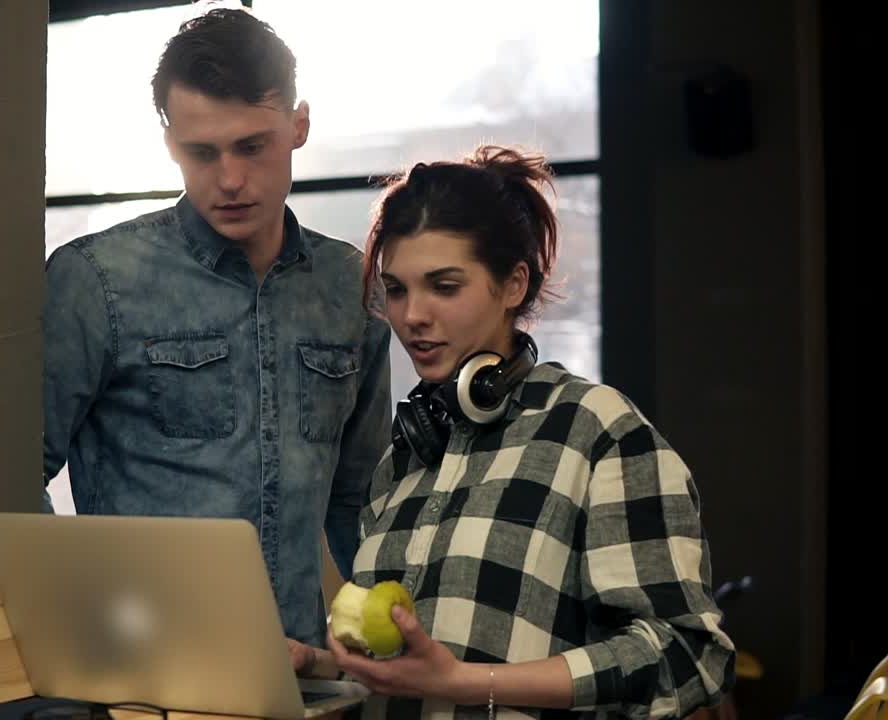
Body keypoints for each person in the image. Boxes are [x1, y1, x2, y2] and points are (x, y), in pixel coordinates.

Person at [289, 146, 735, 719]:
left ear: (514, 285)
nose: (412, 315)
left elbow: (687, 657)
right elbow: (409, 668)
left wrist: (466, 682)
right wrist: (318, 664)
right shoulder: (403, 458)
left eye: (444, 286)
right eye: (396, 290)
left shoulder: (596, 430)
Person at [41, 5, 392, 649]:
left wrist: (379, 648)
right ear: (169, 142)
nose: (230, 180)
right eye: (201, 152)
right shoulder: (95, 279)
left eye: (252, 146)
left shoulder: (353, 284)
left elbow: (360, 500)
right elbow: (12, 475)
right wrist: (71, 619)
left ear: (299, 125)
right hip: (139, 674)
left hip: (301, 675)